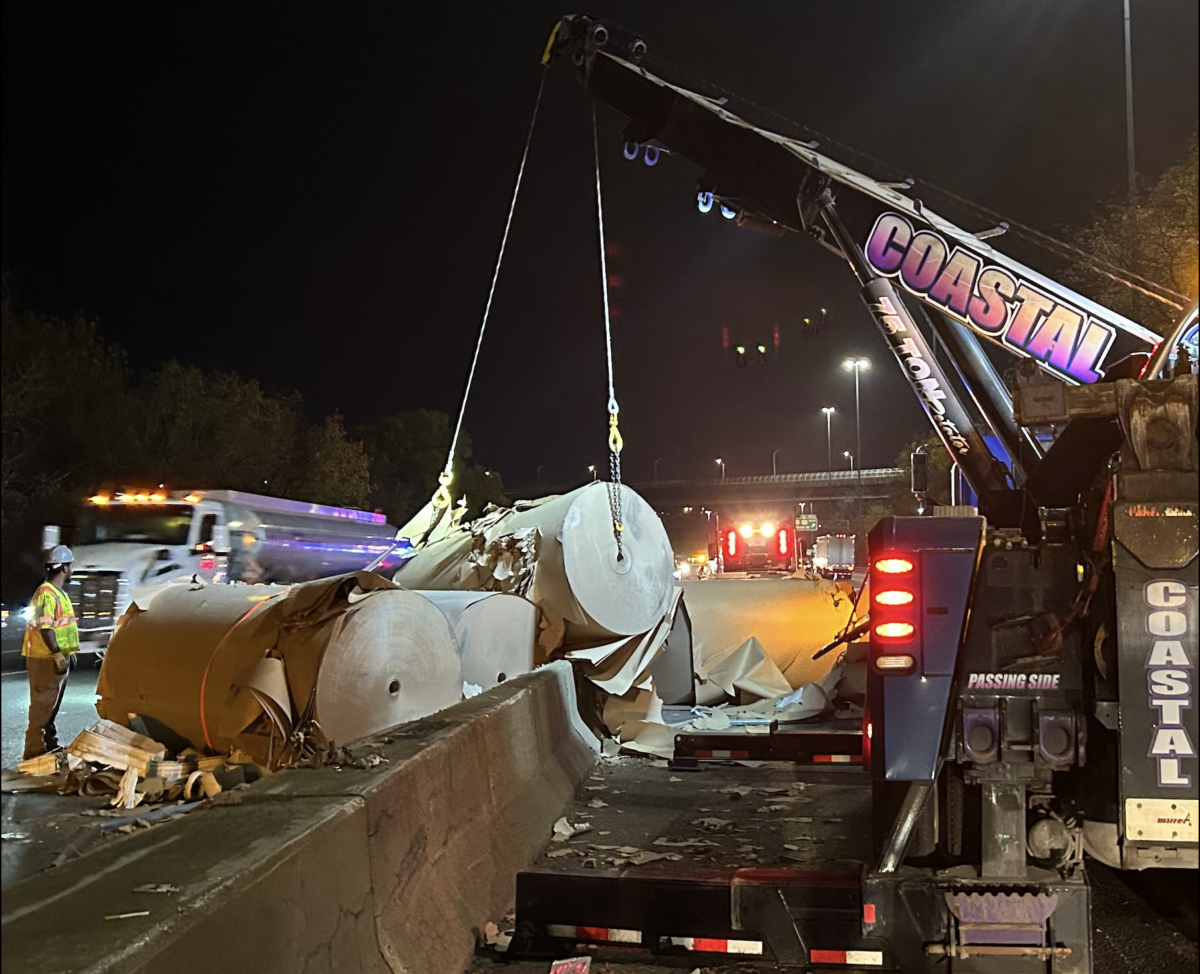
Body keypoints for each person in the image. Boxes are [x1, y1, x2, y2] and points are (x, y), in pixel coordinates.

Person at [22, 545, 79, 760]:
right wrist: (56, 654)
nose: (71, 569)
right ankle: (34, 751)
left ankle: (49, 744)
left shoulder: (56, 593)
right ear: (64, 568)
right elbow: (46, 627)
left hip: (55, 657)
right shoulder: (47, 593)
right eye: (70, 565)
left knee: (50, 707)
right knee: (42, 707)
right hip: (45, 658)